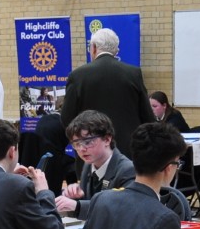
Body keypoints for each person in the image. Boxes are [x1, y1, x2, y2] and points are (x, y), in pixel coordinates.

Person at [62, 27, 149, 155]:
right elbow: (147, 116)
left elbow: (67, 118)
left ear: (94, 48)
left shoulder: (77, 76)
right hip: (128, 151)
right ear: (116, 51)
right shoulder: (133, 73)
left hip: (89, 152)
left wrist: (81, 141)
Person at [55, 110, 135, 217]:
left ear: (107, 139)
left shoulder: (127, 170)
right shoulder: (88, 165)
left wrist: (77, 206)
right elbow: (89, 205)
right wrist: (76, 196)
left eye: (88, 142)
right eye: (77, 144)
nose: (82, 149)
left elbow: (122, 209)